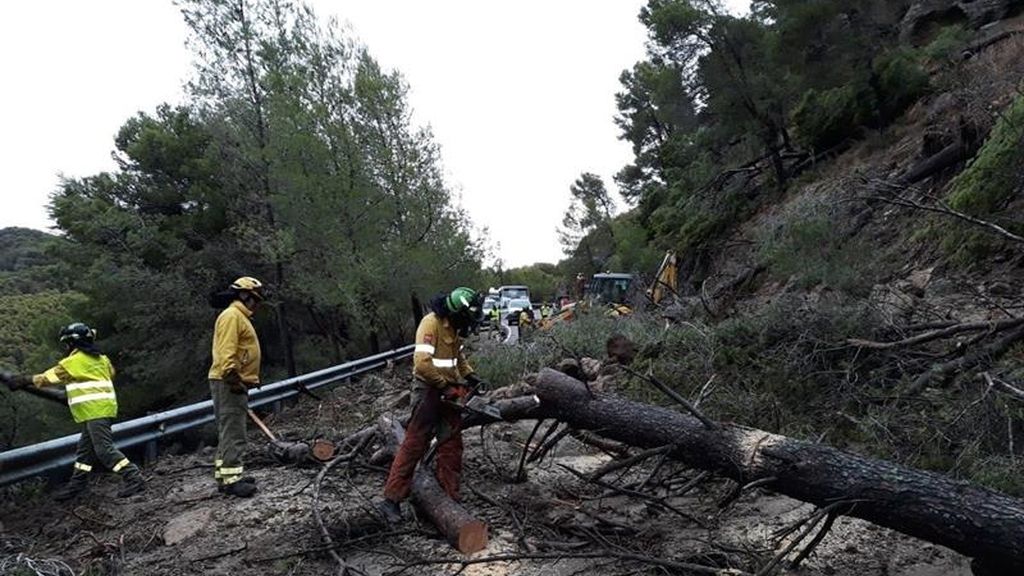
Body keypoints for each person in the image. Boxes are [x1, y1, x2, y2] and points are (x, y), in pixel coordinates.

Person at [376, 287, 487, 522]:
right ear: (456, 313)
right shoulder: (431, 324)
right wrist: (444, 387)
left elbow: (458, 358)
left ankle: (449, 502)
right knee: (414, 444)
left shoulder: (454, 329)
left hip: (448, 390)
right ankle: (391, 500)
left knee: (451, 446)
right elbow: (422, 363)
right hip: (428, 389)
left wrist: (470, 376)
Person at [4, 323, 145, 501]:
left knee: (104, 450)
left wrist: (24, 380)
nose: (65, 347)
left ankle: (134, 477)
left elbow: (50, 377)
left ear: (72, 343)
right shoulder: (102, 359)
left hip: (95, 411)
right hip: (99, 409)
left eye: (66, 343)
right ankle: (77, 486)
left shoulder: (74, 361)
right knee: (84, 452)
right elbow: (110, 374)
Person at [208, 276, 264, 498]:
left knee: (227, 428)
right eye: (255, 299)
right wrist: (233, 377)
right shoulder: (232, 316)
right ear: (244, 296)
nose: (257, 304)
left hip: (230, 379)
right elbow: (227, 350)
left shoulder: (237, 316)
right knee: (234, 430)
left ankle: (226, 474)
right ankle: (232, 480)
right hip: (229, 381)